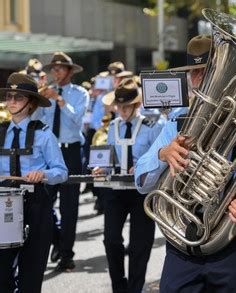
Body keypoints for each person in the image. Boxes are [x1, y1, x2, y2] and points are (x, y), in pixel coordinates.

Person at [135, 35, 236, 293]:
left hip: (234, 237)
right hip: (182, 238)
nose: (199, 80)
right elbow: (141, 182)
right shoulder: (176, 122)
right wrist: (162, 154)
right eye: (194, 73)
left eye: (208, 72)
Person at [92, 77, 162, 292]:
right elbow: (111, 155)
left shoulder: (153, 126)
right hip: (116, 191)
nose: (122, 111)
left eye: (126, 106)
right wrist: (101, 167)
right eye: (119, 106)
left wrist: (143, 167)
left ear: (137, 105)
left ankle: (135, 288)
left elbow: (159, 157)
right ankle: (119, 287)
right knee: (111, 239)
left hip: (142, 191)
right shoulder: (112, 127)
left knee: (140, 245)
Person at [0, 73, 68, 292]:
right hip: (4, 205)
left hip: (36, 205)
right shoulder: (0, 132)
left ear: (30, 103)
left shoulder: (44, 134)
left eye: (18, 97)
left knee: (31, 274)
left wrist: (44, 175)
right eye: (9, 96)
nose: (11, 101)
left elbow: (62, 172)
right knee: (2, 274)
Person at [38, 51, 90, 271]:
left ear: (69, 71)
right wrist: (38, 98)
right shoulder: (45, 94)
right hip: (48, 152)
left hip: (71, 151)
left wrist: (59, 100)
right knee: (43, 204)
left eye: (59, 68)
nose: (55, 72)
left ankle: (66, 253)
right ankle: (58, 240)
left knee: (69, 207)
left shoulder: (80, 93)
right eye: (53, 68)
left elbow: (77, 120)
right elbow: (37, 121)